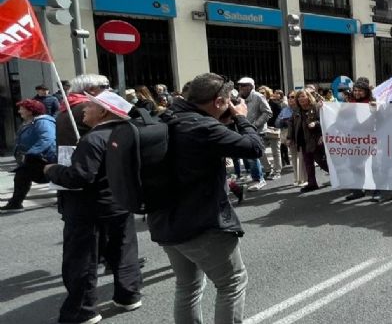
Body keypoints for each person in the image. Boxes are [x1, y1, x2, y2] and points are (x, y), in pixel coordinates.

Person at [147, 73, 263, 324]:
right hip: (201, 222)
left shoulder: (166, 116)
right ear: (219, 102)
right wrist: (242, 117)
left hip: (165, 219)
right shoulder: (202, 127)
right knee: (232, 282)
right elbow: (254, 148)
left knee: (187, 286)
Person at [43, 91, 143, 324]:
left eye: (89, 106)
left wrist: (52, 170)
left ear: (103, 112)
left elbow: (79, 177)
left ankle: (83, 310)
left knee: (83, 261)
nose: (84, 110)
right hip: (120, 204)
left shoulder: (93, 139)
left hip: (89, 211)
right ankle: (129, 295)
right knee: (123, 253)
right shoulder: (127, 133)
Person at [0, 100, 56, 211]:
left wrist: (31, 152)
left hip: (44, 158)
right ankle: (15, 203)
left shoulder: (43, 122)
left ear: (30, 111)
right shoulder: (30, 122)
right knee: (22, 176)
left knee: (23, 175)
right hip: (35, 158)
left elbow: (47, 138)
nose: (19, 111)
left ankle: (15, 204)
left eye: (22, 108)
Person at [236, 77, 273, 190]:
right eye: (240, 85)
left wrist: (255, 124)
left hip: (256, 130)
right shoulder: (238, 97)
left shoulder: (258, 96)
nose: (241, 87)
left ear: (251, 86)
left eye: (244, 85)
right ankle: (255, 176)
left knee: (253, 156)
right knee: (247, 155)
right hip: (242, 130)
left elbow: (268, 112)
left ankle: (259, 179)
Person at [288, 90, 324, 193]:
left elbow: (322, 120)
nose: (300, 99)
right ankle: (312, 184)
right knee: (308, 163)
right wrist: (289, 137)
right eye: (299, 97)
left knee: (322, 162)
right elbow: (291, 123)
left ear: (308, 97)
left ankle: (338, 177)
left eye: (303, 96)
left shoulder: (315, 107)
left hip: (315, 140)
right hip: (303, 141)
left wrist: (315, 124)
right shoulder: (296, 110)